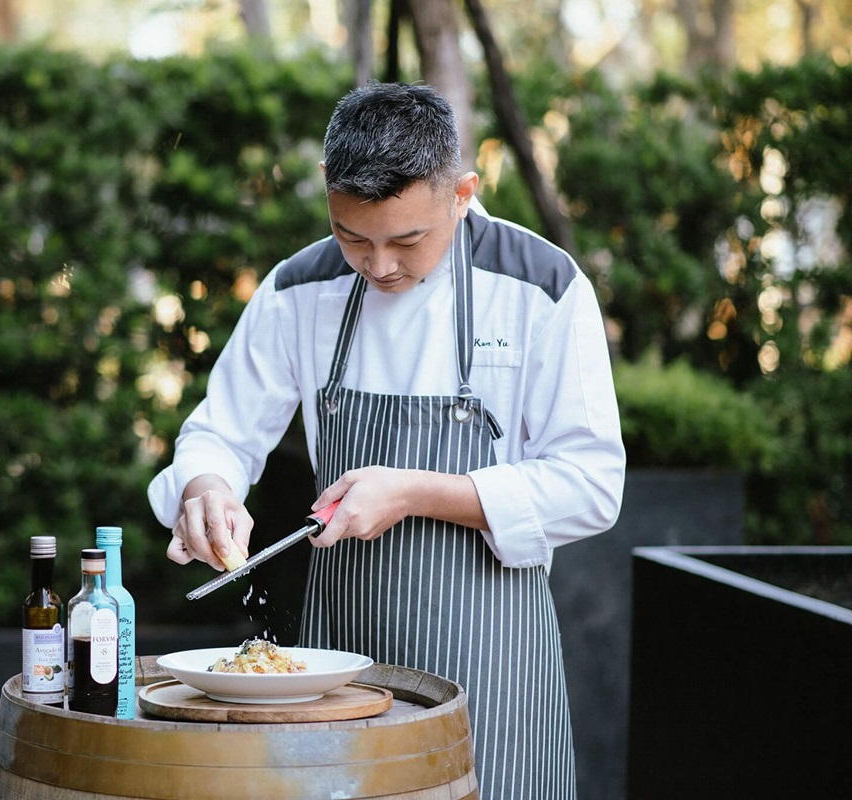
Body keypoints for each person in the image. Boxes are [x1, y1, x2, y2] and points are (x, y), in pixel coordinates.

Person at [147, 81, 625, 798]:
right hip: (337, 676)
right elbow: (219, 432)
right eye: (352, 238)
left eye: (407, 240)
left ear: (461, 193)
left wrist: (414, 493)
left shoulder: (540, 286)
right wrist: (205, 487)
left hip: (492, 675)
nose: (379, 266)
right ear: (327, 188)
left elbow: (592, 486)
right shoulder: (298, 288)